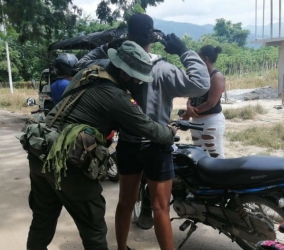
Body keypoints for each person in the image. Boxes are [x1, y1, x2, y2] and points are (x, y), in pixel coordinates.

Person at [26, 41, 178, 250]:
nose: (138, 83)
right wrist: (171, 131)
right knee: (94, 229)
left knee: (42, 220)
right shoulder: (116, 96)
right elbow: (149, 128)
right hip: (70, 162)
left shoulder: (87, 73)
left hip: (41, 152)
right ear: (124, 73)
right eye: (136, 79)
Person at [77, 13, 210, 250]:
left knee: (125, 203)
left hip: (128, 143)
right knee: (160, 207)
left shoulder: (113, 65)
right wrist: (184, 51)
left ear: (127, 36)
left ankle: (121, 248)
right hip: (157, 145)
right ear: (153, 38)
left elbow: (79, 65)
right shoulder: (164, 69)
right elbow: (201, 84)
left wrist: (106, 46)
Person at [182, 45, 226, 159]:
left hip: (211, 121)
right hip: (196, 120)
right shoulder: (199, 76)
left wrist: (189, 113)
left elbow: (211, 103)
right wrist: (188, 108)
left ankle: (220, 177)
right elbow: (191, 96)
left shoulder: (217, 77)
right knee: (199, 155)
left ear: (205, 59)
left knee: (215, 155)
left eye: (198, 57)